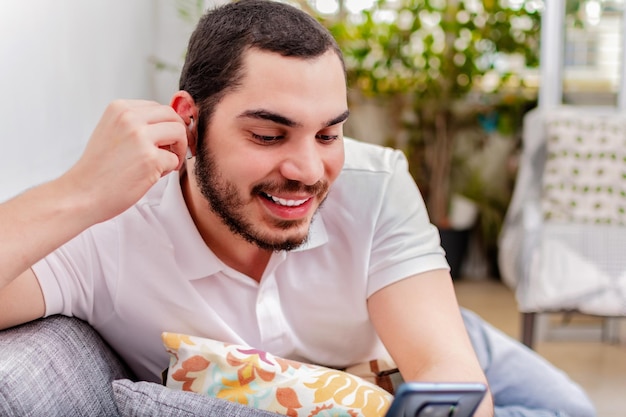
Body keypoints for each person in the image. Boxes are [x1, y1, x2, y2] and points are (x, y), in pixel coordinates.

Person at [0, 1, 595, 416]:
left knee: (567, 408)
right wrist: (77, 190)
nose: (309, 171)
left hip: (396, 322)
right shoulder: (110, 229)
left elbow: (445, 374)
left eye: (329, 134)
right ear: (188, 119)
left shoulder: (374, 182)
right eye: (268, 135)